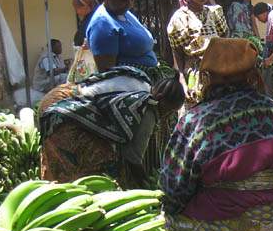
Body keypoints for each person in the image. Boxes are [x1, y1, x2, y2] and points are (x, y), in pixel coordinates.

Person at [160, 38, 273, 231]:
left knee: (164, 226)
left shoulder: (195, 120)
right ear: (252, 76)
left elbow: (174, 189)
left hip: (225, 230)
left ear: (207, 77)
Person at [39, 67, 184, 187]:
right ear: (161, 100)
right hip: (65, 116)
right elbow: (132, 157)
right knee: (102, 163)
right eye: (169, 110)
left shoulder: (142, 81)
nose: (167, 115)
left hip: (59, 96)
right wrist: (145, 184)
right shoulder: (147, 109)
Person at [167, 0, 230, 105]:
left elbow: (224, 38)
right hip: (195, 74)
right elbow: (177, 54)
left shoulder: (215, 13)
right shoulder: (180, 19)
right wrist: (182, 82)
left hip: (218, 72)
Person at [87, 0, 160, 77]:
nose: (129, 4)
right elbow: (108, 74)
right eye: (123, 0)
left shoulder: (124, 13)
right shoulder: (102, 24)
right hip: (130, 88)